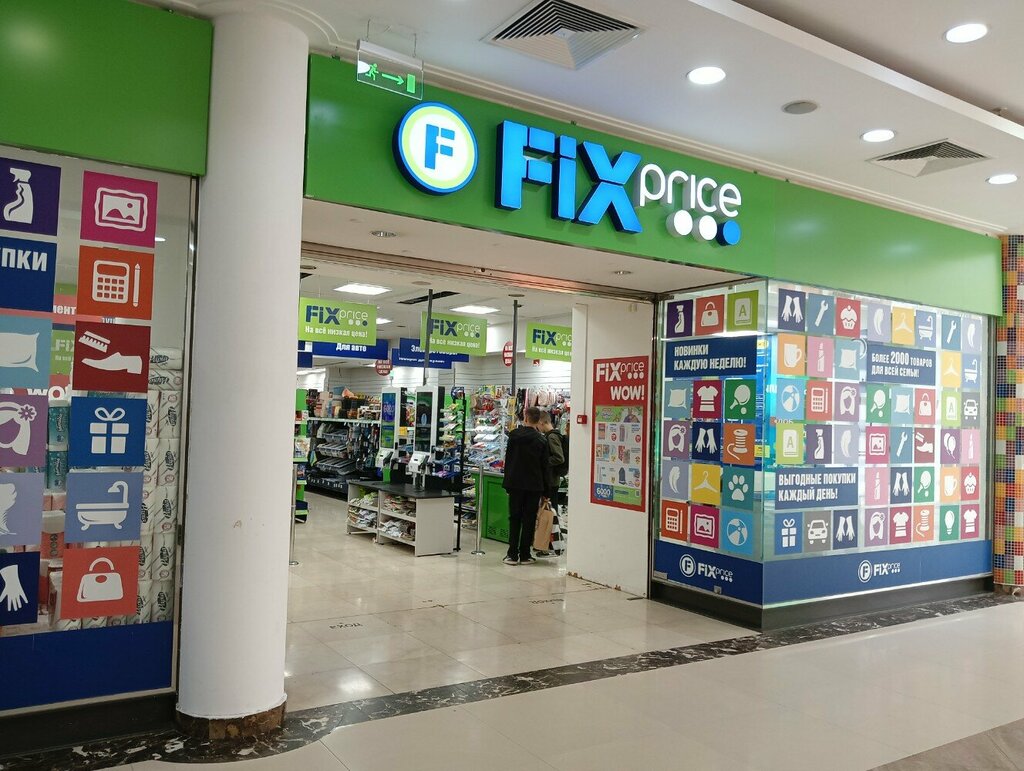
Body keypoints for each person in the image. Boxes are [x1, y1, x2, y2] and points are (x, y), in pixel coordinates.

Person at [501, 406, 551, 565]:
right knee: (529, 519)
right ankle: (525, 554)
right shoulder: (541, 440)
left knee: (514, 518)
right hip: (534, 485)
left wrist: (507, 484)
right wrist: (546, 491)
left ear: (526, 418)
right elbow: (545, 467)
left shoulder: (513, 436)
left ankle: (512, 554)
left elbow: (509, 461)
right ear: (538, 420)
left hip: (515, 483)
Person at [535, 411, 567, 556]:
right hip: (552, 480)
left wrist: (544, 462)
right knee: (550, 513)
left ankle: (552, 546)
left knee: (550, 515)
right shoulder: (553, 435)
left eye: (538, 425)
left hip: (551, 481)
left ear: (542, 423)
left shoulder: (552, 437)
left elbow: (559, 457)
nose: (538, 428)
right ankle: (549, 545)